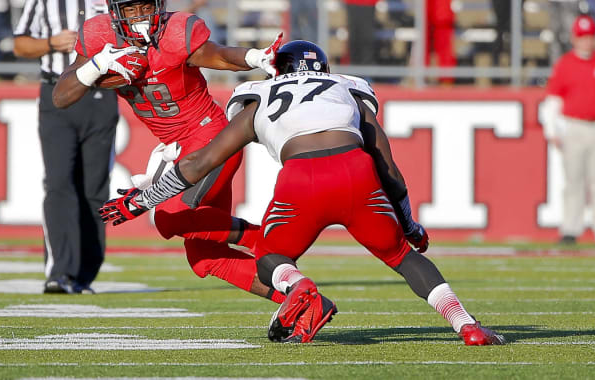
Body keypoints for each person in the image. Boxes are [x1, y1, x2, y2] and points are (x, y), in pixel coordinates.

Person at [100, 40, 507, 346]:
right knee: (403, 256)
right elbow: (386, 162)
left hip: (302, 181)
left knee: (270, 259)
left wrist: (140, 200)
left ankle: (299, 286)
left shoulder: (260, 97)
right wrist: (408, 221)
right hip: (357, 174)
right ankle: (466, 324)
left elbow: (199, 163)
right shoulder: (344, 88)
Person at [53, 0, 287, 304]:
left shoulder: (178, 31)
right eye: (129, 7)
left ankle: (257, 236)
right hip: (178, 148)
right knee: (205, 257)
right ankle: (297, 296)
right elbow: (61, 96)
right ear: (113, 11)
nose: (139, 15)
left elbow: (218, 55)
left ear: (160, 3)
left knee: (167, 217)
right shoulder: (100, 36)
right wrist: (97, 66)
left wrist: (254, 56)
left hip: (211, 141)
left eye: (146, 5)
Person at [13, 0, 118, 294]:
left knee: (94, 189)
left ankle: (85, 272)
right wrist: (51, 43)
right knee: (59, 182)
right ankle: (59, 271)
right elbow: (20, 43)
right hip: (58, 94)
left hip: (102, 96)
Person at [540, 15, 595, 247]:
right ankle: (570, 228)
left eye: (589, 37)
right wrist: (552, 130)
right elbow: (553, 100)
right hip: (575, 126)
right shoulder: (566, 64)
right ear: (574, 39)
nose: (586, 42)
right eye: (582, 37)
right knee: (574, 181)